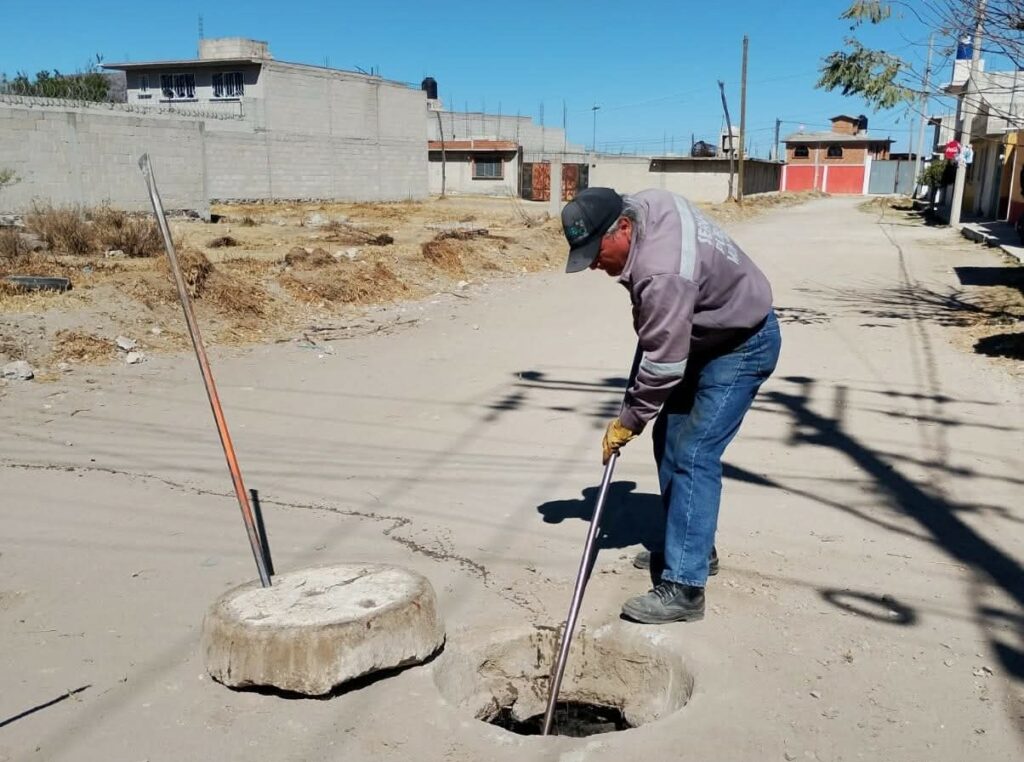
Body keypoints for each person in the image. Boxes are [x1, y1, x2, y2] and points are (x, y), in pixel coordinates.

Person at [561, 187, 781, 624]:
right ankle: (694, 546)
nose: (595, 266)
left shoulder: (662, 275)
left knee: (695, 452)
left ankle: (685, 587)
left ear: (623, 227)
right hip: (703, 332)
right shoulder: (647, 205)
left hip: (742, 344)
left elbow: (662, 366)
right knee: (671, 437)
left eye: (596, 253)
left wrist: (627, 421)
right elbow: (661, 334)